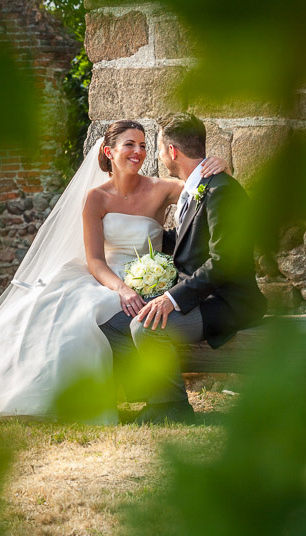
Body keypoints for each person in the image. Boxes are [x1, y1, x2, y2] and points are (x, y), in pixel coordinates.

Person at [0, 120, 228, 424]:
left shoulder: (163, 189)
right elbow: (95, 260)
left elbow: (202, 186)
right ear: (108, 152)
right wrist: (121, 289)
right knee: (71, 312)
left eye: (145, 145)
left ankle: (143, 398)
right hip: (106, 278)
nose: (139, 152)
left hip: (144, 279)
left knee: (98, 320)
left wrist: (221, 162)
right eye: (130, 144)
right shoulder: (96, 198)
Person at [100, 112, 266, 425]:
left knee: (145, 327)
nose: (158, 155)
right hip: (198, 296)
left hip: (226, 300)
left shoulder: (221, 191)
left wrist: (172, 299)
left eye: (159, 148)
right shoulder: (196, 187)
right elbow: (187, 242)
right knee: (112, 326)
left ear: (173, 152)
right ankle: (154, 394)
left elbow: (224, 261)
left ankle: (172, 407)